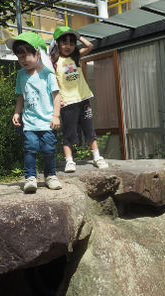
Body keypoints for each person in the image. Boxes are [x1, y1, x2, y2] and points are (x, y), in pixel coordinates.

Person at [7, 32, 62, 194]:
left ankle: (50, 176)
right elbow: (21, 96)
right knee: (30, 149)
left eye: (26, 56)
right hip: (30, 123)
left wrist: (56, 115)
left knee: (48, 149)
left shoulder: (48, 74)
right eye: (19, 57)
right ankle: (30, 178)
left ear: (37, 53)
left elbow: (56, 96)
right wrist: (17, 113)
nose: (23, 60)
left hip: (47, 122)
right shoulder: (21, 75)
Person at [50, 26, 108, 173]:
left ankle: (97, 157)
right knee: (69, 132)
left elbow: (90, 46)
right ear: (57, 44)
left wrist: (78, 35)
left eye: (72, 42)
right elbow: (49, 83)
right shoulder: (54, 62)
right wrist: (57, 100)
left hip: (83, 99)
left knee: (89, 129)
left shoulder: (76, 57)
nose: (68, 46)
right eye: (64, 42)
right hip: (68, 102)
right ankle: (69, 161)